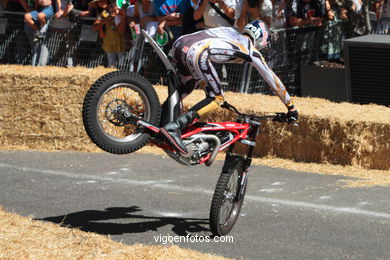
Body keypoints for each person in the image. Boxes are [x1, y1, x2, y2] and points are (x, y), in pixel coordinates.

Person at [160, 20, 299, 154]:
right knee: (217, 98)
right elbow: (273, 80)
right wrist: (290, 106)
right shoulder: (251, 50)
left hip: (179, 44)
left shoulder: (230, 31)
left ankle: (160, 117)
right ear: (260, 38)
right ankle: (175, 127)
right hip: (197, 52)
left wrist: (207, 87)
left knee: (190, 83)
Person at [92, 1, 128, 67]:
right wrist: (105, 21)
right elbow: (94, 27)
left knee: (122, 64)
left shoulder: (123, 12)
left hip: (122, 41)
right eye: (98, 2)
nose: (101, 2)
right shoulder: (104, 14)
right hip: (109, 42)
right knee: (111, 64)